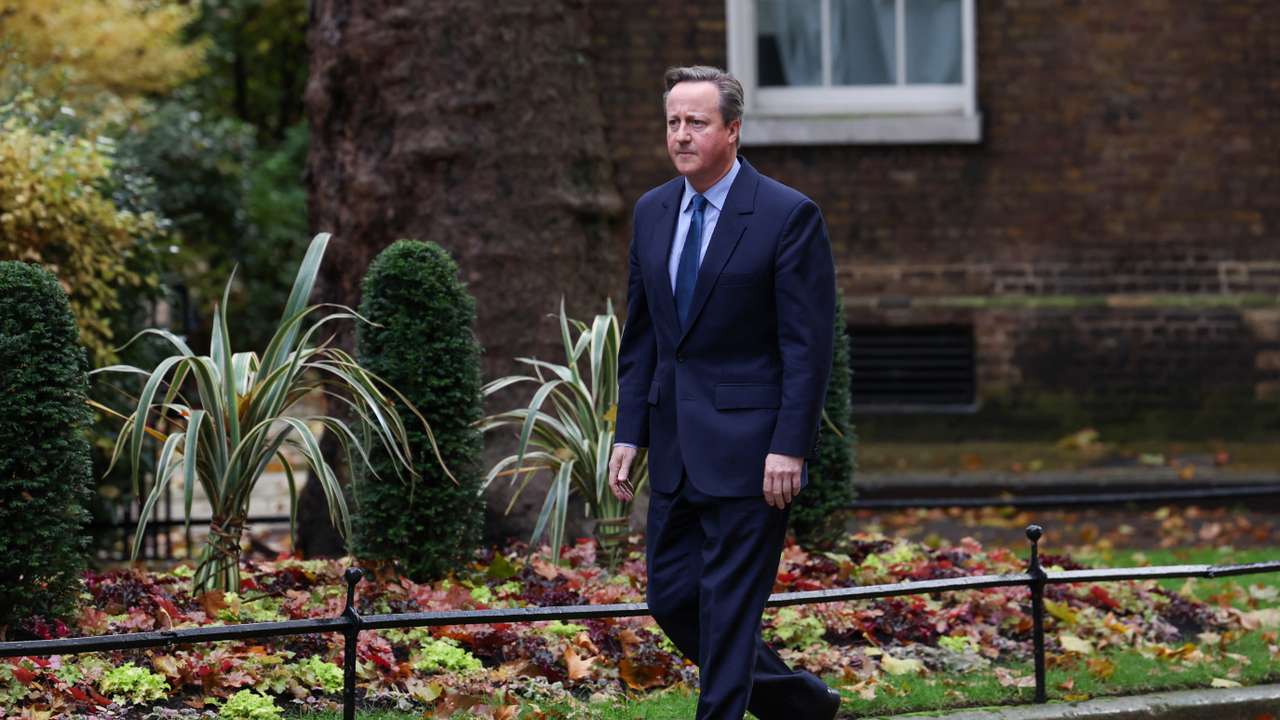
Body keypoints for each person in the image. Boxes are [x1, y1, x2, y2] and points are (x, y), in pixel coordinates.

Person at [608, 65, 840, 720]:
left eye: (697, 122)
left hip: (752, 453)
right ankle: (800, 706)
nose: (681, 136)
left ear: (732, 131)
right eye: (673, 122)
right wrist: (631, 431)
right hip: (677, 447)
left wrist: (789, 446)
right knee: (672, 598)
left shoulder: (787, 216)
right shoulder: (653, 212)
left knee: (730, 608)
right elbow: (645, 336)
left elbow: (806, 346)